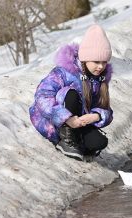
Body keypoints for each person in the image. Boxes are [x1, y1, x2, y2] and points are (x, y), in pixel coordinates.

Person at [29, 24, 113, 161]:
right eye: (96, 61)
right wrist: (66, 118)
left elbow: (107, 110)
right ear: (85, 58)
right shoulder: (64, 71)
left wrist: (96, 116)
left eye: (104, 62)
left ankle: (77, 140)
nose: (100, 66)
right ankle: (66, 139)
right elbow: (42, 96)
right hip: (52, 121)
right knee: (71, 93)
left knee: (100, 143)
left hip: (78, 121)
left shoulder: (99, 79)